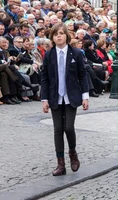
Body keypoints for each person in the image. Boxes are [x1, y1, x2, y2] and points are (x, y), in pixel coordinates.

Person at [40, 23, 89, 177]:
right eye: (56, 34)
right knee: (57, 129)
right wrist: (44, 98)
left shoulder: (76, 53)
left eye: (61, 33)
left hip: (71, 96)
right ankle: (60, 164)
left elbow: (82, 74)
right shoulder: (49, 54)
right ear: (52, 37)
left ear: (67, 35)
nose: (59, 36)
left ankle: (73, 153)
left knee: (68, 127)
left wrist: (85, 96)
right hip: (55, 96)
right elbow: (45, 78)